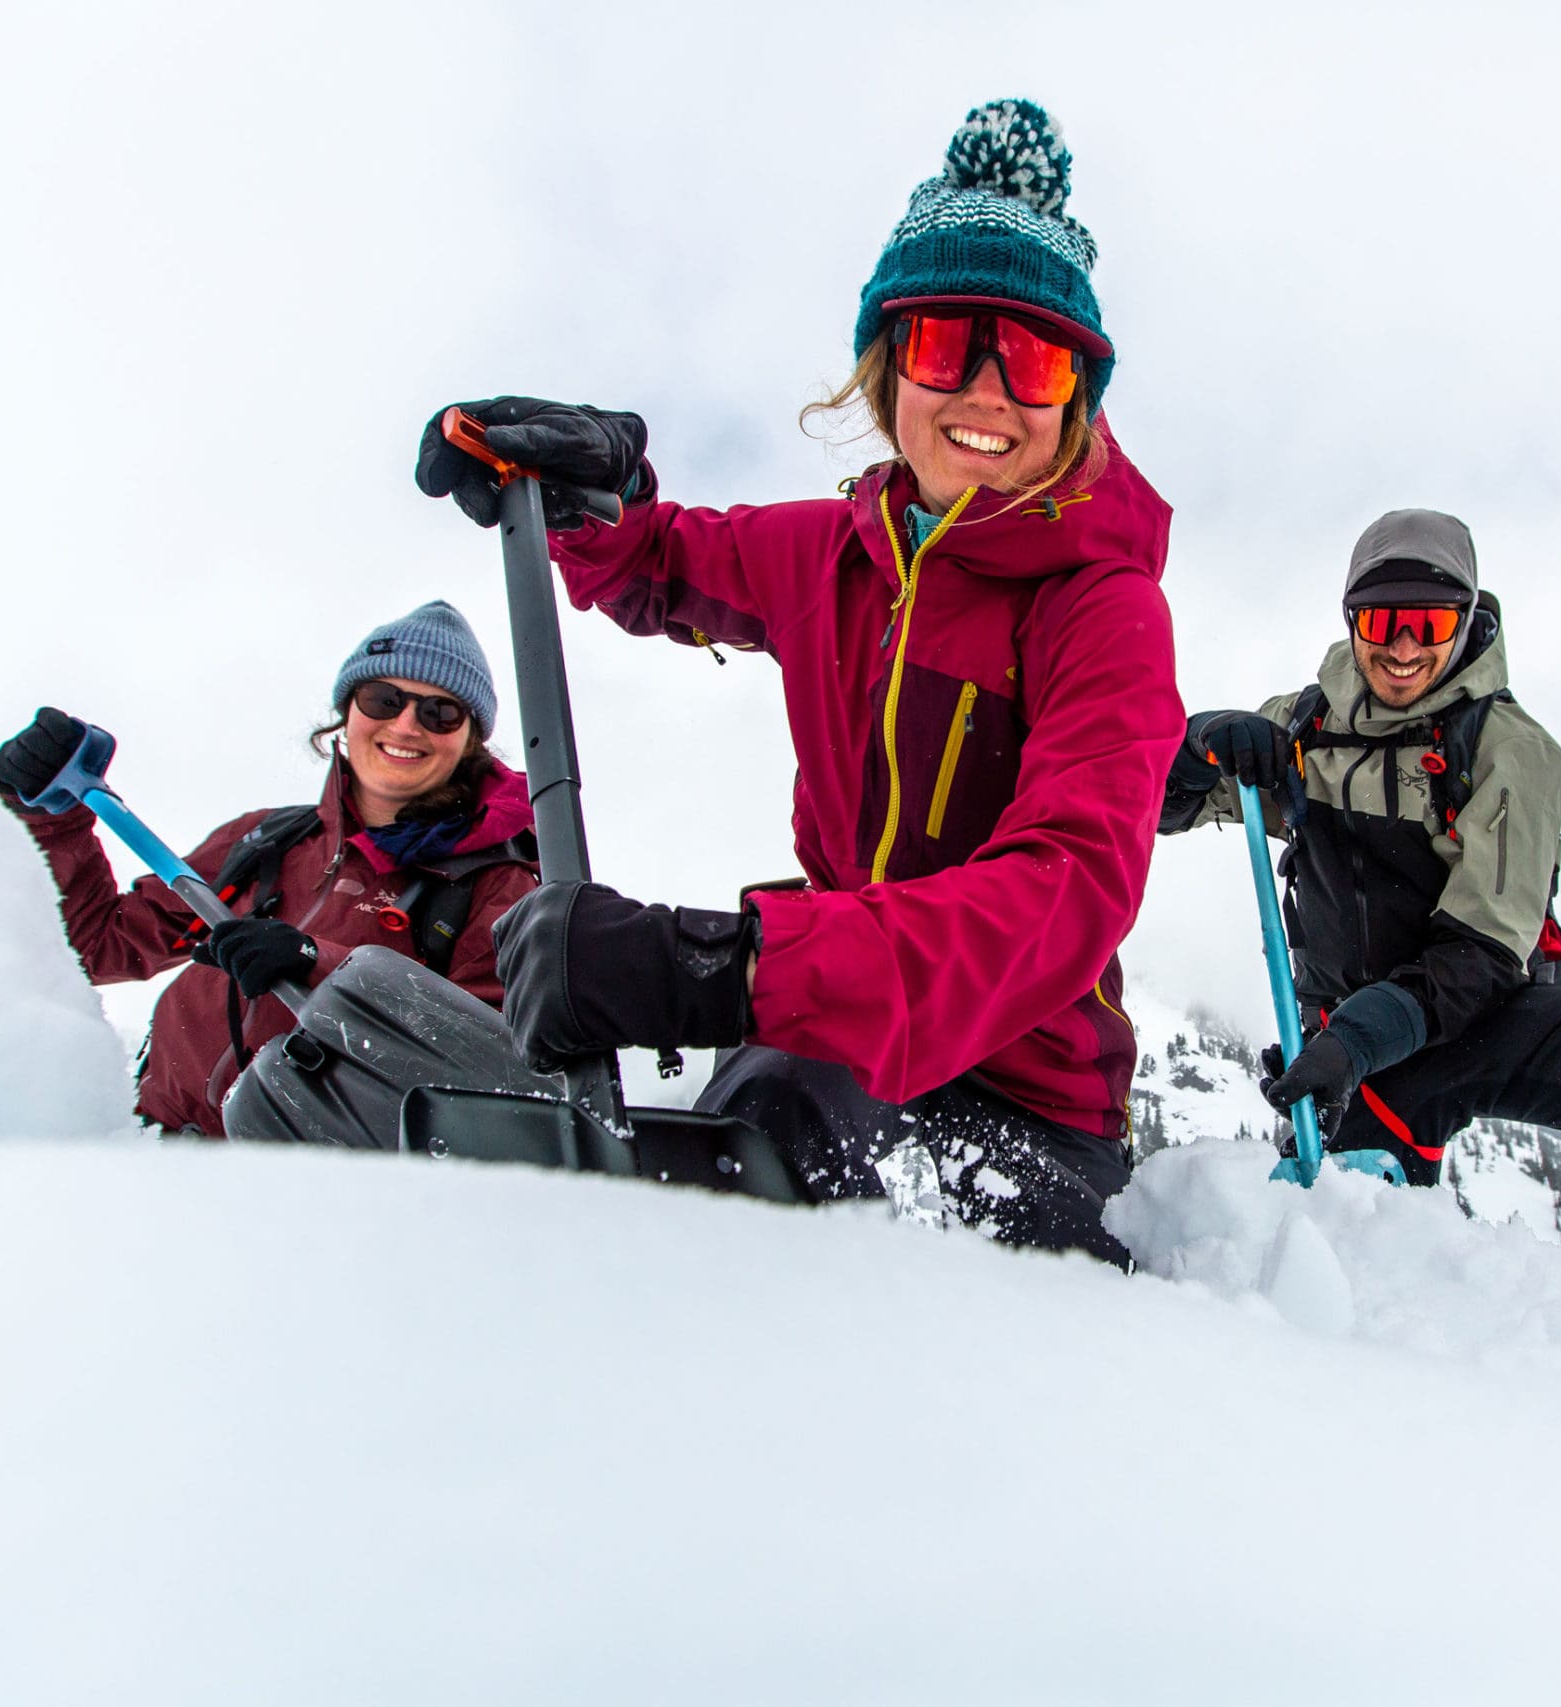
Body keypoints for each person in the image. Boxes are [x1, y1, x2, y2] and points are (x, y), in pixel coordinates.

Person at [412, 100, 1178, 1263]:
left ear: (1075, 396)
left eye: (1028, 359)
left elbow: (1063, 891)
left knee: (768, 1153)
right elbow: (665, 560)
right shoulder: (835, 552)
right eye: (940, 345)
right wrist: (593, 497)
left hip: (1024, 1105)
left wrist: (719, 968)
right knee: (725, 1153)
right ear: (885, 368)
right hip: (822, 1048)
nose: (982, 392)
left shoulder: (1102, 608)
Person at [1161, 509, 1561, 1238]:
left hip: (1475, 1021)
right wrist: (1197, 744)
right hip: (1345, 1046)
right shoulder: (1305, 729)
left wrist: (1360, 1037)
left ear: (1465, 622)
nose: (1400, 646)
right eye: (1380, 620)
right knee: (1340, 1230)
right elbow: (1156, 803)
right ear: (1351, 620)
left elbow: (1480, 954)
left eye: (1426, 623)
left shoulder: (1510, 751)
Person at [0, 600, 540, 1135]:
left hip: (302, 1194)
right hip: (153, 1157)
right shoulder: (269, 840)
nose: (406, 724)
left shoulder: (496, 886)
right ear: (346, 714)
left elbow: (488, 1069)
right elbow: (97, 946)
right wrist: (47, 820)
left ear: (470, 739)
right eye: (382, 698)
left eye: (440, 711)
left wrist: (317, 965)